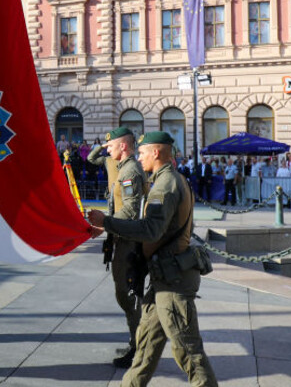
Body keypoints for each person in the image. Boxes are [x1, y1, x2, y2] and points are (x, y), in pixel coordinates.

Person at [88, 131, 218, 387]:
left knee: (188, 353)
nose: (140, 157)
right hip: (164, 277)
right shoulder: (170, 179)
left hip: (173, 282)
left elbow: (150, 229)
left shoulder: (165, 185)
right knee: (146, 348)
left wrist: (107, 223)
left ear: (156, 153)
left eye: (144, 152)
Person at [99, 126, 146, 368]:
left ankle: (138, 348)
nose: (107, 149)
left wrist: (104, 222)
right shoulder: (123, 167)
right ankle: (136, 341)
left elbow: (130, 209)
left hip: (129, 242)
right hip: (121, 237)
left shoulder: (129, 171)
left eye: (110, 145)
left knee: (127, 295)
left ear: (123, 146)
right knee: (125, 295)